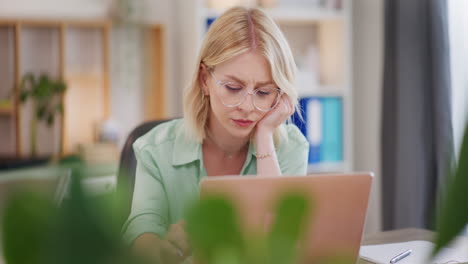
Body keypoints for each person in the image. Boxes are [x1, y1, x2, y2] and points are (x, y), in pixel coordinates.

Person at [122, 6, 309, 264]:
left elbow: (281, 246)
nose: (247, 106)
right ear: (204, 80)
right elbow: (141, 233)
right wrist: (167, 248)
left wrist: (265, 136)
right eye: (233, 87)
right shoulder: (154, 148)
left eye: (264, 92)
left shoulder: (291, 147)